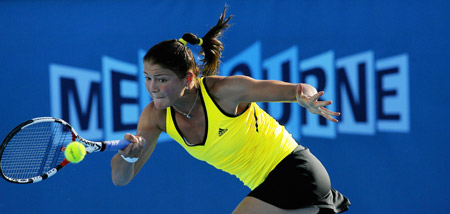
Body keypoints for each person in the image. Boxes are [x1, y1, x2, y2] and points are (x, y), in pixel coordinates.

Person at [110, 6, 350, 214]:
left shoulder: (224, 91)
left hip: (296, 171)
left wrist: (306, 98)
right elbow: (121, 179)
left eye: (162, 79)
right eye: (148, 78)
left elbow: (296, 89)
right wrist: (130, 154)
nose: (153, 87)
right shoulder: (155, 116)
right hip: (274, 190)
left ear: (188, 78)